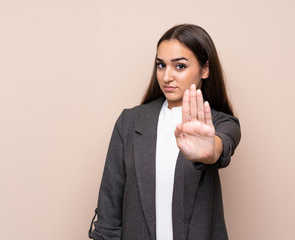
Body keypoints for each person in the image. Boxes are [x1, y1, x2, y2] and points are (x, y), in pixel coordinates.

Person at [89, 24, 241, 240]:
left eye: (179, 66)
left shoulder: (221, 122)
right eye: (161, 65)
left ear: (205, 69)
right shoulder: (129, 122)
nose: (167, 76)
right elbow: (109, 207)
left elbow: (221, 145)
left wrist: (210, 151)